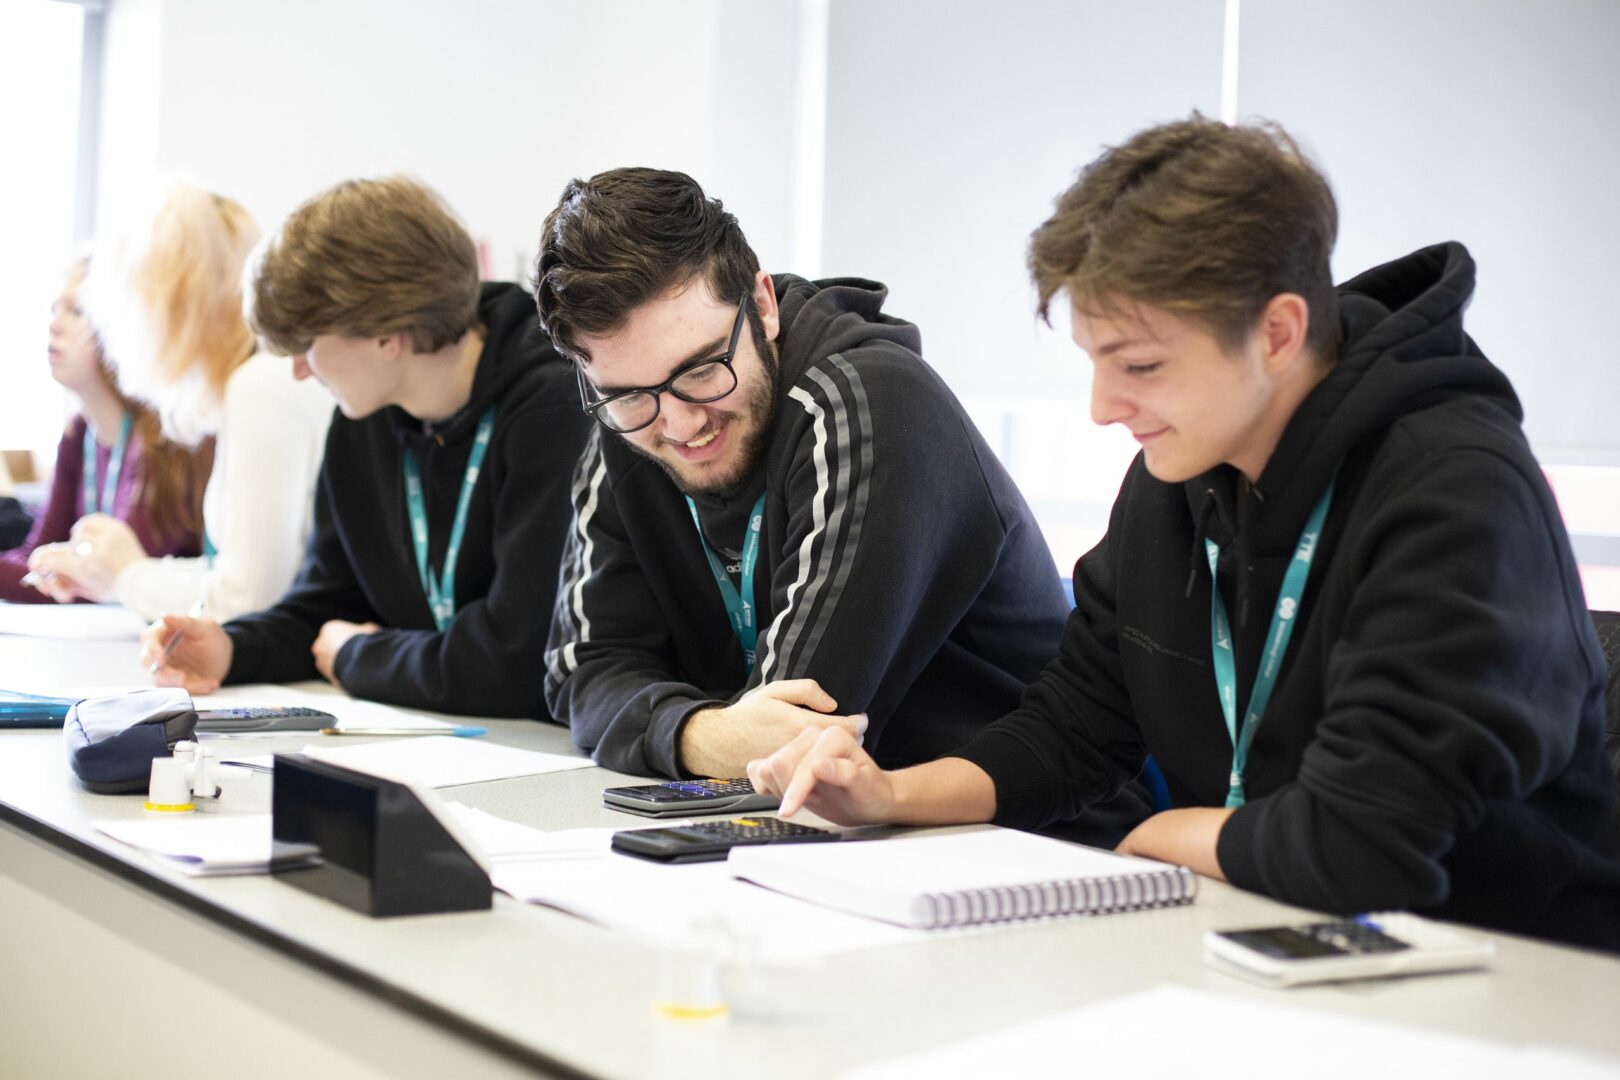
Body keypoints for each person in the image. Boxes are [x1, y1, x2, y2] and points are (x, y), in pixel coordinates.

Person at [747, 116, 1620, 953]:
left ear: (1278, 332)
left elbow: (1362, 846)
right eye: (1094, 363)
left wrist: (1169, 831)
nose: (1102, 408)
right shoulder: (1178, 481)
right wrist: (887, 793)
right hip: (1262, 941)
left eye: (1141, 366)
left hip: (1505, 975)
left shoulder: (1456, 489)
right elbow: (1071, 733)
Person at [534, 167, 1149, 840]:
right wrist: (703, 732)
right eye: (627, 394)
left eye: (703, 370)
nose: (679, 424)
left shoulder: (868, 402)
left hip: (1024, 843)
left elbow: (797, 734)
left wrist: (671, 725)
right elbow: (581, 675)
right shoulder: (632, 424)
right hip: (831, 842)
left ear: (762, 306)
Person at [141, 177, 592, 717]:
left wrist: (358, 655)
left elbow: (517, 659)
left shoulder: (554, 406)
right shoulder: (364, 417)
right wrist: (234, 649)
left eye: (308, 344)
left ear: (387, 334)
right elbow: (327, 606)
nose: (299, 369)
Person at [28, 183, 331, 622]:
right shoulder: (250, 384)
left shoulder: (259, 386)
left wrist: (127, 577)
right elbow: (230, 576)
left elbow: (249, 599)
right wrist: (116, 578)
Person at [3, 258, 211, 602]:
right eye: (54, 309)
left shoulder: (162, 436)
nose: (54, 325)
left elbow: (108, 580)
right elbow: (37, 555)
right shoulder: (78, 433)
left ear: (121, 327)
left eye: (76, 312)